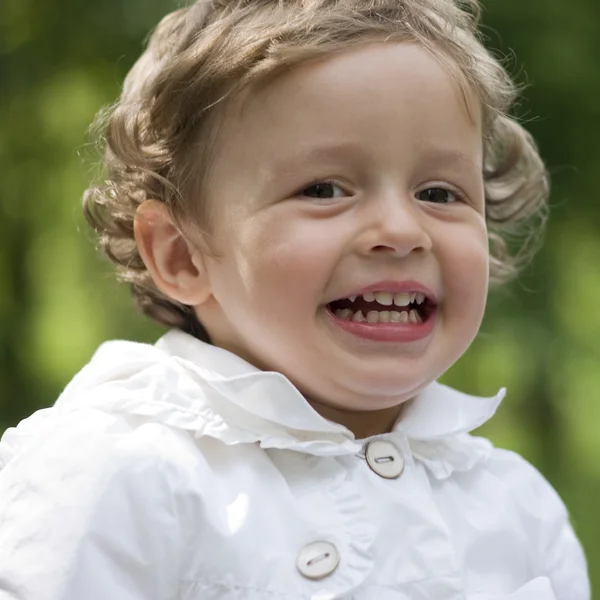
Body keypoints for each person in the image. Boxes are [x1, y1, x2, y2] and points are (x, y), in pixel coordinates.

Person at [0, 0, 590, 598]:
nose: (403, 230)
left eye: (438, 191)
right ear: (181, 255)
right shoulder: (120, 474)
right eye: (324, 188)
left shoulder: (517, 509)